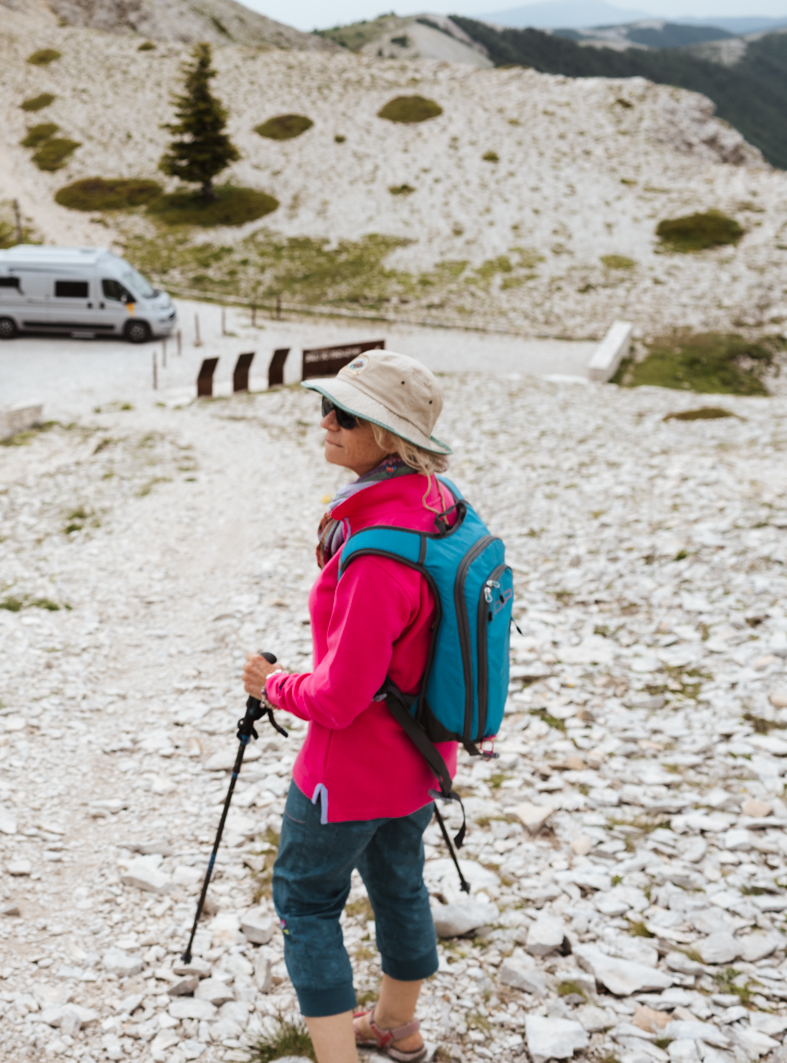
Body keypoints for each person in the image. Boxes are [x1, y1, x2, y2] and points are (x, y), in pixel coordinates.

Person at [241, 350, 459, 1063]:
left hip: (349, 772)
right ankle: (398, 1028)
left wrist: (271, 684)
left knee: (305, 904)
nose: (326, 422)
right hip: (422, 758)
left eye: (348, 415)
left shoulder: (374, 559)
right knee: (400, 885)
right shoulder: (438, 509)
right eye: (327, 407)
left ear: (390, 438)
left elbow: (338, 700)